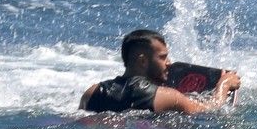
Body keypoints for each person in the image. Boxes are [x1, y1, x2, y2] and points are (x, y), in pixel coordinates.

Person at [79, 29, 240, 114]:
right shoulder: (165, 96)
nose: (169, 63)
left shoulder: (92, 92)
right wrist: (224, 85)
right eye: (163, 57)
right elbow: (212, 109)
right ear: (142, 61)